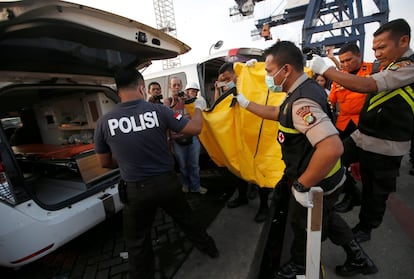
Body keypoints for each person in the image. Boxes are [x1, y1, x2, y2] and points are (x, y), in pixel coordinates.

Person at [236, 41, 377, 278]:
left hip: (316, 181)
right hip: (323, 175)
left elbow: (331, 147)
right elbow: (278, 113)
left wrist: (303, 184)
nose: (268, 77)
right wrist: (247, 104)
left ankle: (301, 265)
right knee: (329, 218)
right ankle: (359, 257)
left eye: (270, 72)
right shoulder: (303, 90)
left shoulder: (301, 101)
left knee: (301, 224)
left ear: (286, 70)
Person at [94, 68, 218, 279]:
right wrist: (198, 108)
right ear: (142, 87)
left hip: (135, 190)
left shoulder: (104, 122)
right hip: (167, 183)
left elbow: (104, 163)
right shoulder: (158, 111)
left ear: (117, 90)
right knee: (187, 219)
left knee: (137, 242)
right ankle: (210, 249)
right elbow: (195, 128)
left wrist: (127, 160)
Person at [309, 18, 414, 243]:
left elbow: (367, 85)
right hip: (360, 136)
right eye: (374, 48)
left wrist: (327, 70)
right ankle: (344, 197)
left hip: (386, 146)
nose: (376, 53)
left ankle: (364, 230)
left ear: (403, 41)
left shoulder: (409, 68)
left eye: (382, 47)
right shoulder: (389, 66)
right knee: (331, 159)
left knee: (374, 192)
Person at [215, 62, 271, 223]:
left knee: (260, 170)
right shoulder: (228, 90)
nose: (226, 82)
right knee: (238, 169)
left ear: (236, 73)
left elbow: (266, 81)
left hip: (256, 136)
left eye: (227, 78)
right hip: (238, 136)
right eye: (223, 80)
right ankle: (242, 196)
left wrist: (252, 69)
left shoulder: (250, 83)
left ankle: (264, 206)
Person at [329, 43, 373, 213]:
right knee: (335, 161)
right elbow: (331, 100)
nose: (345, 64)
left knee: (367, 164)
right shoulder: (339, 77)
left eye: (349, 60)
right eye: (342, 61)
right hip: (344, 123)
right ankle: (352, 192)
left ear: (359, 55)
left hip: (365, 123)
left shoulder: (373, 70)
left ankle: (366, 197)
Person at [165, 77, 207, 194]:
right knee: (183, 166)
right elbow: (167, 116)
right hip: (177, 140)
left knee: (194, 165)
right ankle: (185, 184)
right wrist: (174, 102)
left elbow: (199, 109)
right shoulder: (167, 102)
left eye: (178, 85)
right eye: (174, 85)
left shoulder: (188, 99)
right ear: (170, 87)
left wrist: (188, 100)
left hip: (192, 138)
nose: (177, 88)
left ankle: (196, 186)